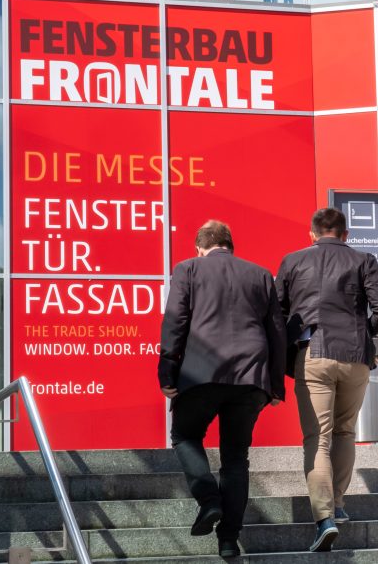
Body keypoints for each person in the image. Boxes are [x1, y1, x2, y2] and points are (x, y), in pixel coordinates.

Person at [159, 220, 286, 559]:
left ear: (200, 247)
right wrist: (275, 386)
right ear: (230, 245)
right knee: (235, 459)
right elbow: (276, 332)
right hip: (250, 379)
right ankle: (228, 539)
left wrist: (167, 373)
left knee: (185, 437)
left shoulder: (188, 269)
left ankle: (208, 500)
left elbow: (174, 321)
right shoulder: (260, 274)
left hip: (202, 373)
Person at [277, 208, 378, 552]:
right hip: (356, 357)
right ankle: (339, 504)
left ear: (311, 234)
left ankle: (324, 519)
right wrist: (363, 334)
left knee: (318, 437)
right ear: (345, 234)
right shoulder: (363, 259)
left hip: (313, 353)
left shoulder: (293, 260)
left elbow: (277, 313)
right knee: (345, 431)